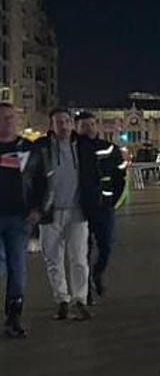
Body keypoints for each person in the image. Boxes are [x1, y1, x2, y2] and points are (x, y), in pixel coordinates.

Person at [31, 108, 97, 321]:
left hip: (77, 212)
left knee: (79, 258)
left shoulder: (82, 147)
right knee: (53, 259)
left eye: (67, 121)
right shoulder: (41, 148)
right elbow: (30, 178)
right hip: (50, 212)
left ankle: (80, 299)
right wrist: (34, 207)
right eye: (59, 122)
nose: (64, 125)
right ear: (52, 125)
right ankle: (61, 299)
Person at [74, 111, 128, 300]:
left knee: (106, 246)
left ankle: (97, 273)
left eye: (91, 124)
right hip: (80, 207)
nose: (88, 128)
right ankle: (86, 288)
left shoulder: (109, 148)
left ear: (96, 126)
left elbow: (120, 176)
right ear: (77, 127)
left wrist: (113, 200)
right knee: (83, 250)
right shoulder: (72, 149)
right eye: (83, 125)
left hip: (104, 207)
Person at [0, 100, 42, 338]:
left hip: (19, 218)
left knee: (18, 268)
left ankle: (14, 315)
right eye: (2, 118)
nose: (6, 122)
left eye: (9, 118)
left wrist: (37, 208)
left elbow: (40, 181)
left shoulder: (27, 148)